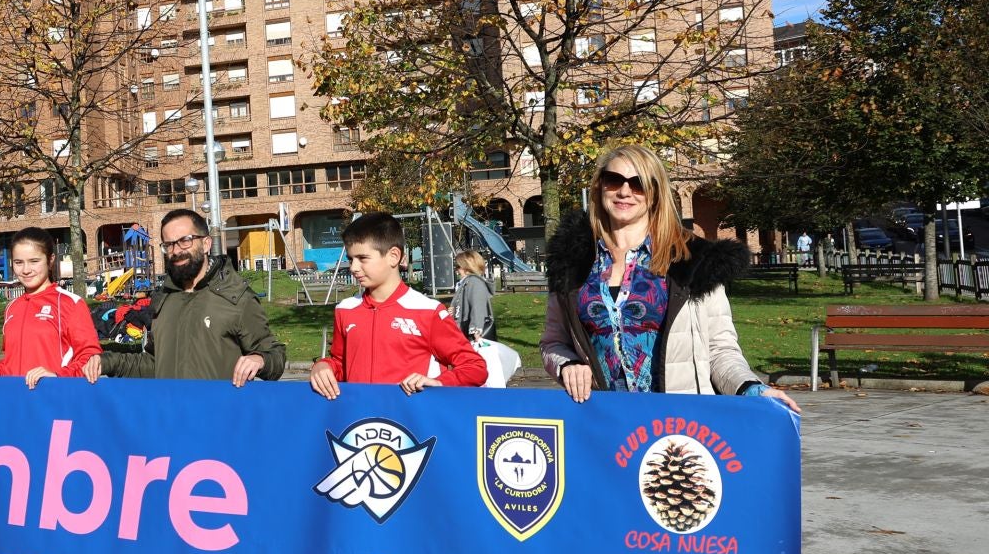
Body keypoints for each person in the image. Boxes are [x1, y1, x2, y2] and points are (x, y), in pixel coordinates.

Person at [540, 143, 799, 412]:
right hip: (605, 424)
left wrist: (752, 388)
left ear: (655, 193)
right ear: (599, 187)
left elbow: (720, 350)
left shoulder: (695, 260)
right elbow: (553, 342)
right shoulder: (572, 261)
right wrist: (568, 364)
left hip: (677, 423)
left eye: (639, 183)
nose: (625, 191)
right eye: (614, 180)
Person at [309, 212, 488, 399]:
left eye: (362, 258)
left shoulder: (427, 311)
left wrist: (440, 382)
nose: (353, 267)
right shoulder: (345, 309)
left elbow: (475, 367)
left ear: (394, 256)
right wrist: (323, 366)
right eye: (351, 258)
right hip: (359, 422)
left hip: (407, 424)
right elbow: (341, 363)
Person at [100, 208, 286, 385]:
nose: (177, 250)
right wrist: (106, 362)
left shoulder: (237, 298)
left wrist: (260, 359)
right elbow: (154, 364)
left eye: (185, 240)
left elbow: (275, 357)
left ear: (206, 244)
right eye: (169, 244)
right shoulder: (163, 299)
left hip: (217, 415)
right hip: (171, 414)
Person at [0, 227, 102, 388]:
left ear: (50, 260)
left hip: (54, 403)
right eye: (18, 262)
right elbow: (10, 366)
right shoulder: (11, 308)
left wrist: (56, 376)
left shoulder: (70, 303)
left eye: (34, 261)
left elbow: (90, 360)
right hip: (18, 404)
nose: (26, 270)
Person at [450, 249, 497, 343]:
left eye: (458, 266)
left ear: (467, 267)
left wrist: (476, 332)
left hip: (471, 336)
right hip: (464, 331)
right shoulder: (466, 283)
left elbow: (477, 307)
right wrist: (454, 310)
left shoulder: (474, 282)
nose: (456, 270)